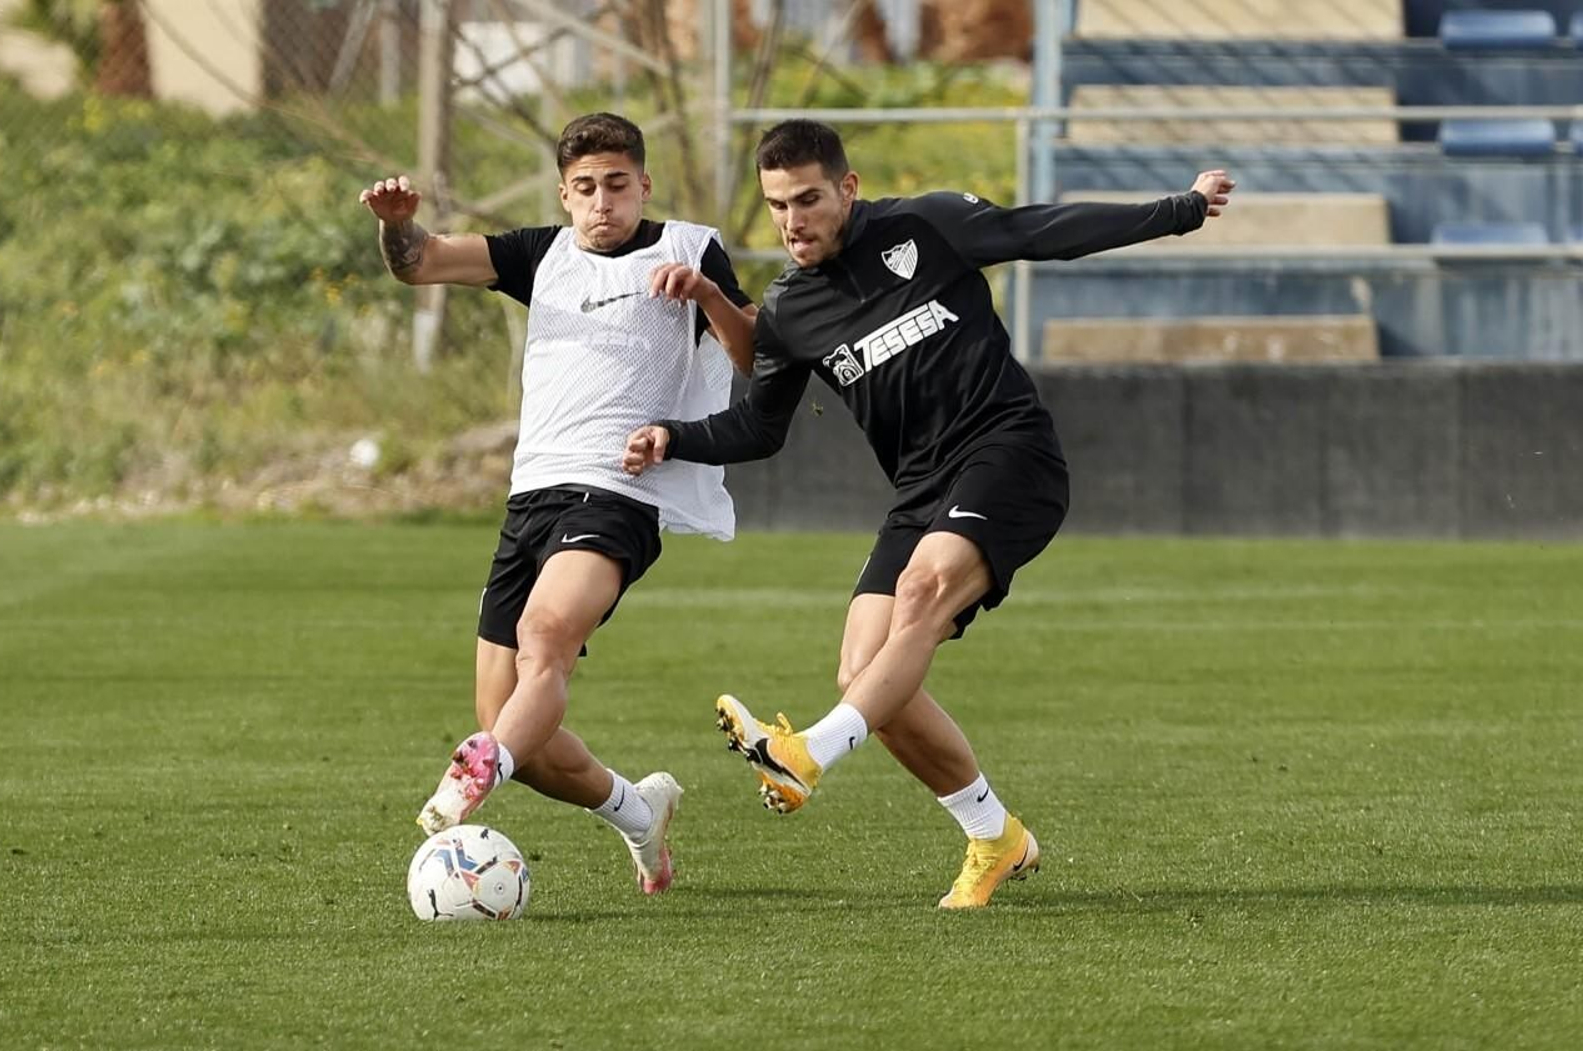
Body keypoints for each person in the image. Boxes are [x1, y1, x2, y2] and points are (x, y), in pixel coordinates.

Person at [623, 119, 1232, 908]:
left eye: (807, 199)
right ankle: (994, 835)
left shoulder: (926, 225)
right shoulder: (792, 307)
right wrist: (674, 437)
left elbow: (1041, 231)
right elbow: (760, 428)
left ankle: (807, 754)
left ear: (848, 188)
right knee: (866, 676)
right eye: (777, 205)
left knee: (919, 594)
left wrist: (1180, 209)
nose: (791, 221)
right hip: (920, 492)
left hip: (1009, 453)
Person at [361, 112, 757, 896]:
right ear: (564, 194)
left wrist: (709, 293)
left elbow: (753, 355)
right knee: (516, 723)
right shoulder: (538, 254)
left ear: (644, 184)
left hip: (618, 492)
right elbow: (421, 263)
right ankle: (639, 811)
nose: (603, 201)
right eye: (586, 187)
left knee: (544, 639)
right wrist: (398, 226)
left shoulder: (689, 248)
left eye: (618, 184)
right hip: (531, 497)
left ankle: (477, 770)